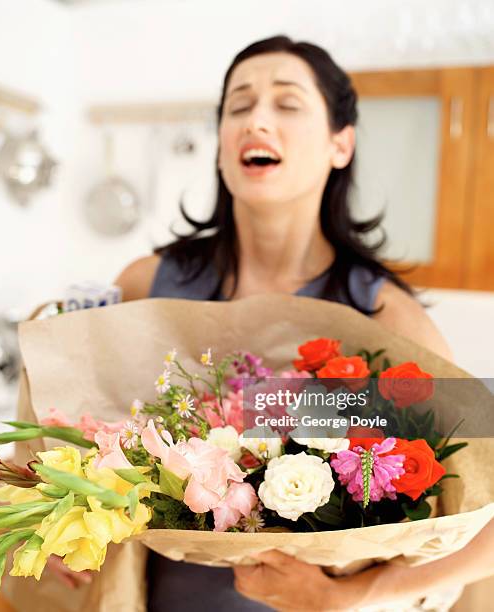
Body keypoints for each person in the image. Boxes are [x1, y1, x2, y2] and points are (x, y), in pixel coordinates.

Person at [58, 35, 494, 610]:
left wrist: (354, 595)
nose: (256, 120)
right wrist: (70, 518)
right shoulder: (149, 284)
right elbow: (84, 439)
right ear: (219, 146)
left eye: (287, 105)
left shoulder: (384, 315)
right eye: (238, 106)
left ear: (341, 144)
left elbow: (482, 504)